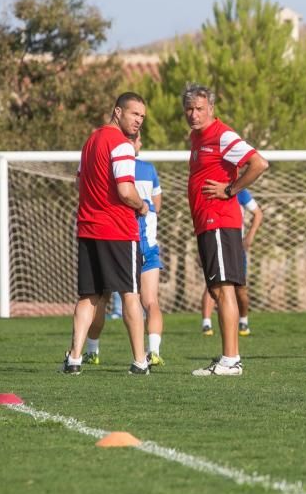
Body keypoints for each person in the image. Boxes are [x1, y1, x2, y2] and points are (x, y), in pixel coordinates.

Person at [63, 92, 151, 376]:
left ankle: (74, 358)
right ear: (117, 111)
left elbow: (80, 183)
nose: (138, 120)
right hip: (118, 230)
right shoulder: (122, 145)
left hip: (89, 228)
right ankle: (140, 361)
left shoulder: (90, 142)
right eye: (134, 113)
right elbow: (126, 191)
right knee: (130, 294)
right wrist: (142, 205)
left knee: (89, 296)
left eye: (142, 117)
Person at [184, 84, 269, 376]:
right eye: (189, 109)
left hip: (219, 221)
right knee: (218, 289)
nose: (194, 114)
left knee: (223, 290)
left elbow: (259, 163)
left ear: (211, 109)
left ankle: (231, 360)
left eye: (199, 108)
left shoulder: (222, 135)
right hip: (207, 223)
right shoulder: (197, 138)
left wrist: (230, 189)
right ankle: (228, 358)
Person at [82, 132, 166, 367]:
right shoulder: (149, 169)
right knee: (150, 302)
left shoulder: (109, 167)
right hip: (147, 245)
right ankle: (153, 351)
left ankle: (92, 350)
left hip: (119, 242)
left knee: (101, 299)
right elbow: (156, 206)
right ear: (135, 143)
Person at [201, 188, 264, 336]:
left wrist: (250, 236)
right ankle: (206, 323)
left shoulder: (239, 191)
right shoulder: (209, 189)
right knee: (213, 284)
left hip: (234, 245)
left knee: (240, 288)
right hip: (214, 241)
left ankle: (243, 320)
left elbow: (258, 213)